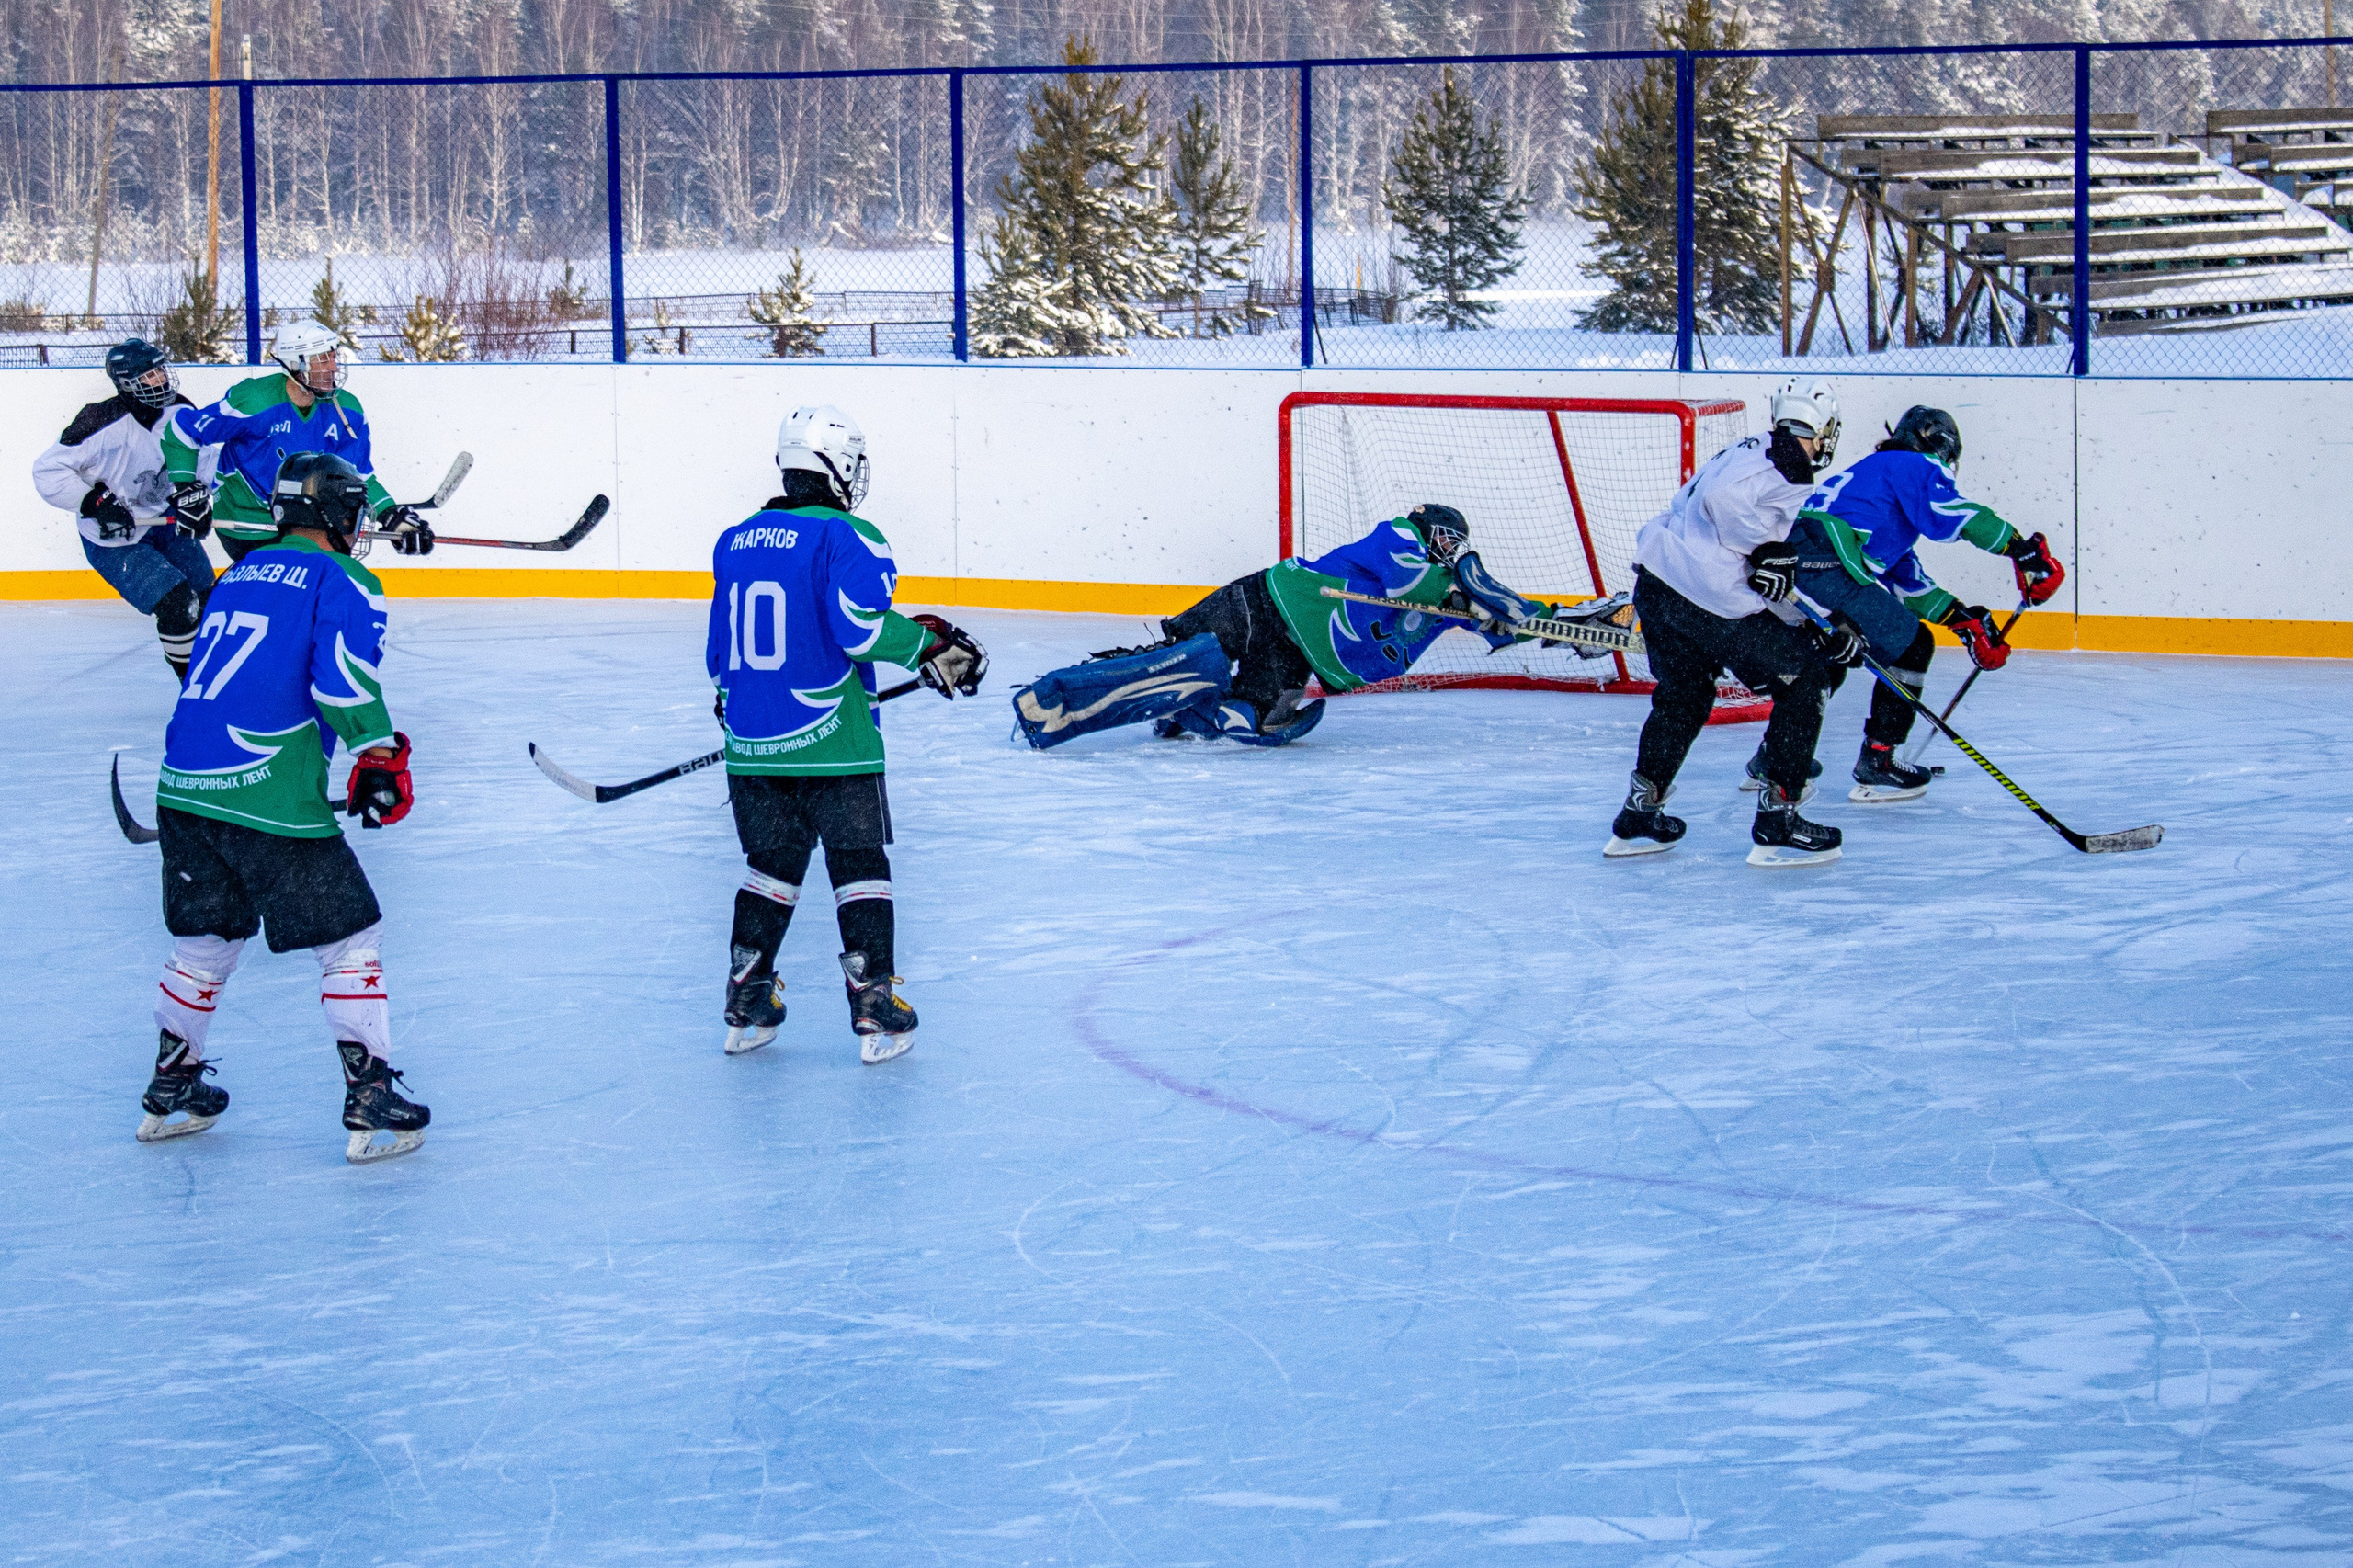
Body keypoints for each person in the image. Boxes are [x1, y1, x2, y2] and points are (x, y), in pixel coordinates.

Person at [136, 451, 432, 1165]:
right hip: (266, 792)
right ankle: (370, 1094)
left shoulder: (235, 574)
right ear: (336, 511)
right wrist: (378, 755)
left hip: (183, 786)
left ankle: (173, 1082)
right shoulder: (343, 577)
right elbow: (341, 679)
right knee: (350, 939)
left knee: (204, 943)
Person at [710, 404, 986, 1063]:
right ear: (836, 465)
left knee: (771, 867)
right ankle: (873, 1002)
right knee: (859, 866)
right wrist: (926, 646)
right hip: (834, 743)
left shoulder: (734, 539)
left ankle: (747, 995)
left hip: (752, 745)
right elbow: (859, 629)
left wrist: (735, 707)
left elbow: (720, 654)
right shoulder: (849, 535)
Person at [1012, 504, 1599, 749]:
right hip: (1269, 601)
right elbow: (1407, 584)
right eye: (1448, 540)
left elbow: (1505, 624)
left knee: (1251, 719)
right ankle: (1057, 699)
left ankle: (1185, 709)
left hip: (1302, 654)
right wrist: (1466, 587)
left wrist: (1564, 625)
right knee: (1189, 655)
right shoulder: (1400, 536)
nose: (1453, 550)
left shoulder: (1448, 596)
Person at [1606, 379, 1873, 867]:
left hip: (1660, 584)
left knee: (1685, 694)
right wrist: (1762, 547)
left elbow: (1757, 569)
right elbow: (1727, 512)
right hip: (1703, 596)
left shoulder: (1753, 447)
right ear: (1824, 430)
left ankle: (1640, 813)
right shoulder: (1789, 464)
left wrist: (1813, 623)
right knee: (1806, 681)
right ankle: (1779, 821)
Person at [1770, 405, 2065, 802]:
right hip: (1825, 559)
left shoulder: (1877, 488)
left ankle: (1775, 758)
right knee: (1913, 646)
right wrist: (2021, 548)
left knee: (1832, 656)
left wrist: (1963, 620)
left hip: (1794, 564)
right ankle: (1879, 760)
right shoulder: (1913, 464)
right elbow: (1951, 514)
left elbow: (1909, 585)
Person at [159, 318, 435, 564]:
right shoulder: (255, 401)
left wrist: (390, 515)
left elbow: (359, 475)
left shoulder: (347, 410)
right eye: (322, 360)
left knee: (322, 584)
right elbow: (182, 431)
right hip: (249, 524)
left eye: (333, 357)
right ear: (295, 363)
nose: (334, 367)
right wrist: (185, 489)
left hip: (306, 521)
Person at [30, 339, 219, 679]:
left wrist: (199, 498)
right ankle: (192, 685)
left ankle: (217, 681)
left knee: (210, 602)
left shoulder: (180, 411)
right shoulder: (98, 421)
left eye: (161, 371)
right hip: (115, 539)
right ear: (126, 383)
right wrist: (92, 502)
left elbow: (204, 462)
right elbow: (48, 471)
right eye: (150, 375)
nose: (161, 379)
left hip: (167, 524)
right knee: (177, 605)